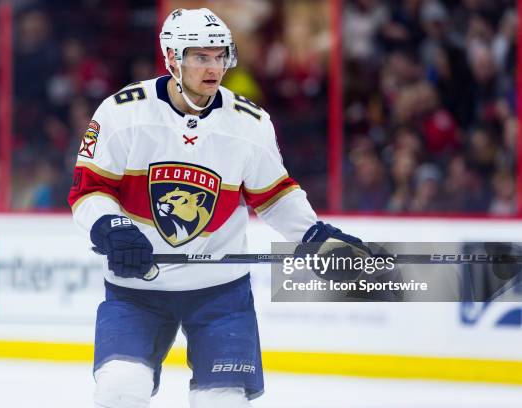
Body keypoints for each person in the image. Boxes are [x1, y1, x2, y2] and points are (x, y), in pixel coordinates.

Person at [68, 8, 364, 408]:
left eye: (220, 55)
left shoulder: (250, 122)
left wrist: (313, 236)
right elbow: (89, 190)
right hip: (137, 290)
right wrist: (113, 226)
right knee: (120, 388)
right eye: (201, 57)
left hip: (220, 293)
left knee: (222, 401)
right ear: (172, 58)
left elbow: (274, 195)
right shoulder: (122, 113)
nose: (214, 67)